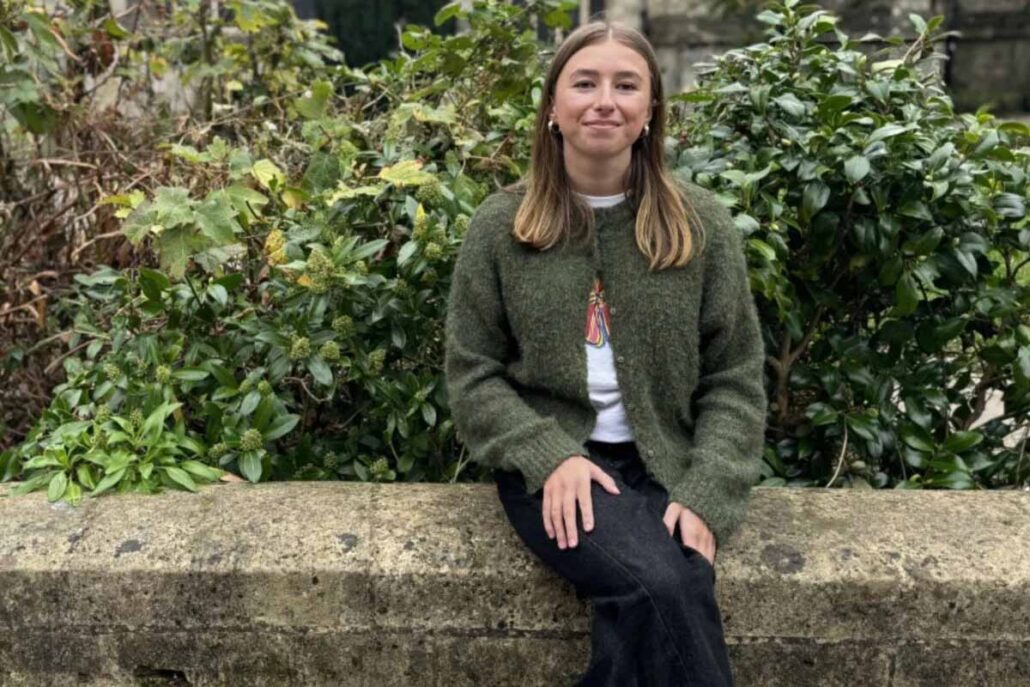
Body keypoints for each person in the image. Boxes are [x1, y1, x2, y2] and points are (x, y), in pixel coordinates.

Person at [443, 17, 767, 687]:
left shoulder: (700, 224)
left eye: (626, 85)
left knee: (667, 590)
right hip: (553, 465)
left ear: (650, 110)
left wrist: (709, 488)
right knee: (662, 584)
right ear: (553, 106)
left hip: (668, 460)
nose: (605, 102)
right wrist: (547, 454)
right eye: (585, 83)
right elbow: (473, 374)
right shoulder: (502, 227)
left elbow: (735, 376)